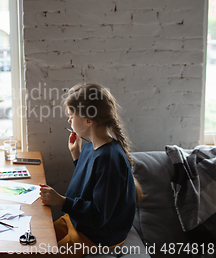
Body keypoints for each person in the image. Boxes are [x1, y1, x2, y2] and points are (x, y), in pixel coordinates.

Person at [40, 83, 143, 258]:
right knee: (36, 240)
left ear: (88, 120)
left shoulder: (110, 159)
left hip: (97, 235)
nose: (69, 121)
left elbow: (98, 215)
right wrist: (77, 157)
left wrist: (62, 202)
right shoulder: (90, 147)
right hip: (78, 222)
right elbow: (93, 182)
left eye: (71, 115)